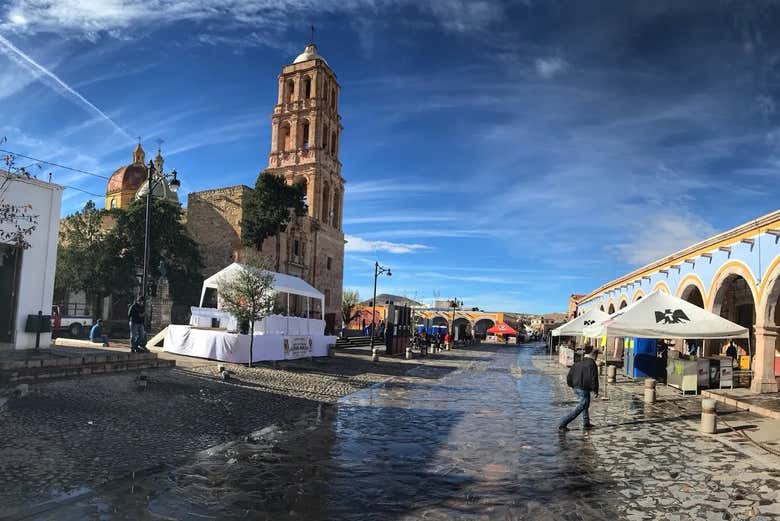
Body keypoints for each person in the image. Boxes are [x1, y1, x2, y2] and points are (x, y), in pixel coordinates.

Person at [559, 344, 599, 431]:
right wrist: (595, 390)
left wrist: (571, 384)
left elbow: (569, 375)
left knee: (585, 404)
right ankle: (563, 423)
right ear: (594, 355)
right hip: (583, 387)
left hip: (576, 386)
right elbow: (594, 378)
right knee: (582, 405)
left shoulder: (578, 362)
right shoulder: (592, 364)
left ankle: (586, 422)